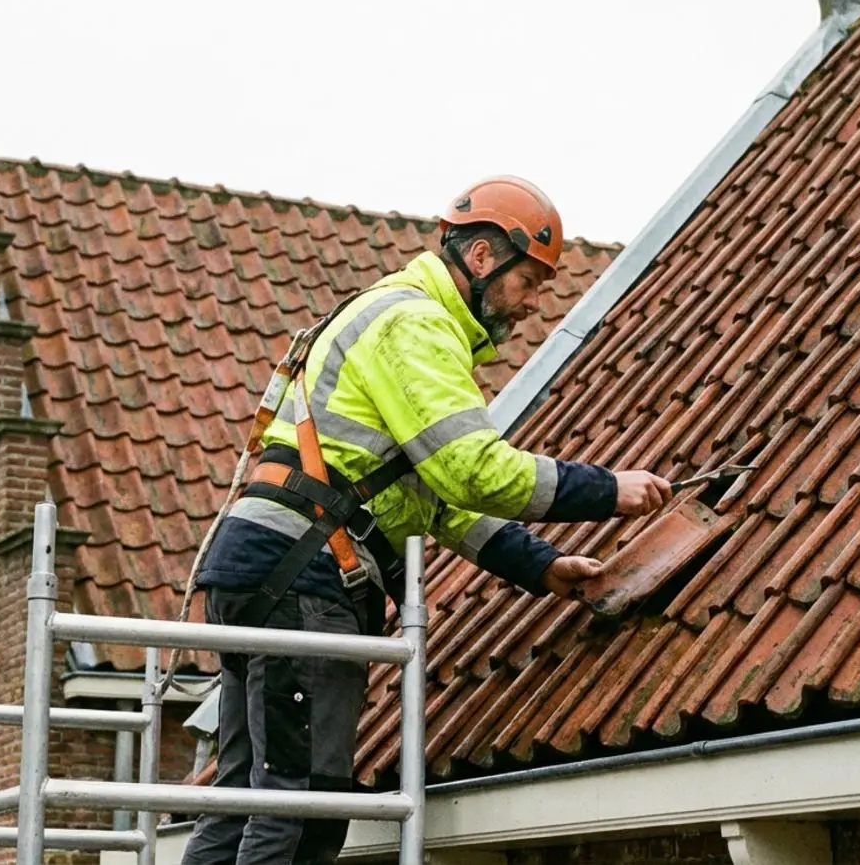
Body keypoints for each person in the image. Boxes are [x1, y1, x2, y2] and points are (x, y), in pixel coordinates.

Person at [181, 176, 673, 865]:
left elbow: (432, 500)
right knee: (305, 808)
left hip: (260, 566)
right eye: (529, 281)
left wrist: (539, 564)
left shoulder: (385, 313)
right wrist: (608, 489)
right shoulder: (416, 324)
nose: (534, 303)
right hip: (305, 577)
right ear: (482, 257)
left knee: (241, 800)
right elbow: (473, 469)